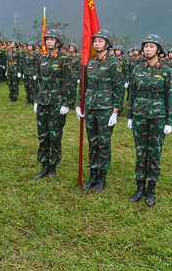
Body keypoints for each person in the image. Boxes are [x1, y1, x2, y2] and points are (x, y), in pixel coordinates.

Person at [126, 34, 172, 207]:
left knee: (154, 152)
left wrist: (169, 121)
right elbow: (131, 93)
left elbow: (169, 96)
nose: (147, 49)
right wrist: (130, 115)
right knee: (140, 151)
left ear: (158, 49)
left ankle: (151, 189)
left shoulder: (166, 71)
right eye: (146, 46)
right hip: (139, 114)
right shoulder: (137, 69)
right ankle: (139, 187)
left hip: (158, 116)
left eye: (151, 46)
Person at [76, 29, 123, 192]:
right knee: (92, 141)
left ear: (107, 44)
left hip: (106, 107)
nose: (96, 44)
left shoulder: (113, 63)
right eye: (95, 41)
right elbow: (84, 83)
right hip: (90, 105)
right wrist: (78, 103)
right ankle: (92, 175)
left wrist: (116, 111)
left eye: (100, 41)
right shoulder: (90, 61)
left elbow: (118, 88)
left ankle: (102, 177)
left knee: (103, 142)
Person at [33, 29, 71, 179]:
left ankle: (53, 167)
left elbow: (67, 82)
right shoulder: (42, 58)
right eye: (47, 39)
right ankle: (44, 165)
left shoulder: (64, 59)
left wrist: (66, 103)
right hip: (43, 100)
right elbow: (39, 80)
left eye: (52, 39)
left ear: (59, 41)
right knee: (43, 134)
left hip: (56, 101)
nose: (49, 41)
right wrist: (37, 99)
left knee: (55, 134)